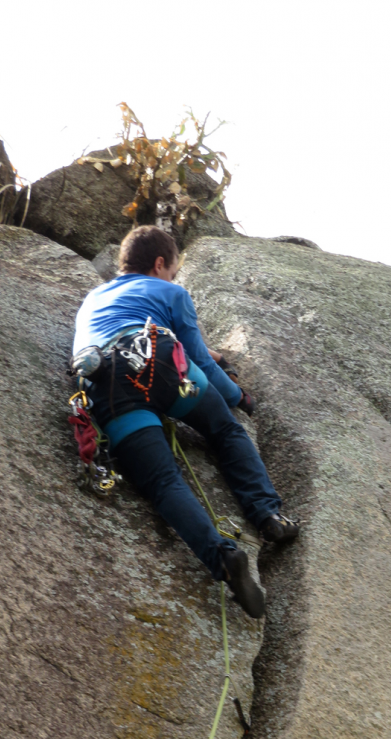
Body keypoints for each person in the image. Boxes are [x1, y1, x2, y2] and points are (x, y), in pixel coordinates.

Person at [72, 225, 299, 619]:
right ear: (161, 264)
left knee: (163, 482)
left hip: (107, 380)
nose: (174, 277)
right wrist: (240, 397)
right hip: (161, 361)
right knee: (225, 429)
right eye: (173, 270)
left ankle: (224, 558)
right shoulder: (170, 292)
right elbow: (201, 360)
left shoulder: (92, 299)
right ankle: (268, 514)